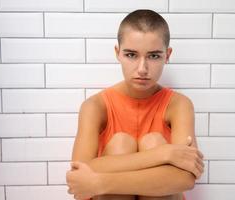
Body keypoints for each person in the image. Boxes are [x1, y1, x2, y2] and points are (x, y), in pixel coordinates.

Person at [66, 9, 204, 200]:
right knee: (121, 144)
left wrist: (100, 182)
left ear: (167, 55)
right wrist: (163, 154)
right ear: (118, 53)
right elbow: (78, 176)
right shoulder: (95, 106)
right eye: (131, 55)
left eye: (153, 56)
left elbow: (186, 178)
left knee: (152, 141)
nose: (142, 69)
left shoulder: (179, 105)